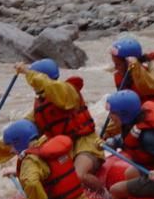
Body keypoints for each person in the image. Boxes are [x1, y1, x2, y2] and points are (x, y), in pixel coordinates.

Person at [15, 58, 105, 192]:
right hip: (64, 150)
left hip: (86, 144)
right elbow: (23, 128)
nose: (33, 85)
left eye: (36, 79)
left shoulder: (67, 92)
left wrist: (28, 72)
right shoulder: (40, 106)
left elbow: (52, 88)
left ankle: (105, 195)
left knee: (78, 176)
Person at [0, 120, 91, 199]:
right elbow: (51, 171)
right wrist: (19, 172)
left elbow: (31, 183)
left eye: (11, 146)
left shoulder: (30, 161)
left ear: (19, 142)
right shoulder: (50, 144)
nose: (11, 150)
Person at [105, 37, 154, 137]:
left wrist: (136, 68)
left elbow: (149, 87)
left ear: (128, 63)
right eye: (115, 64)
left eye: (118, 64)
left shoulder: (149, 73)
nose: (116, 68)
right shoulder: (122, 75)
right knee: (108, 134)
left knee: (137, 136)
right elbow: (124, 108)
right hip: (141, 119)